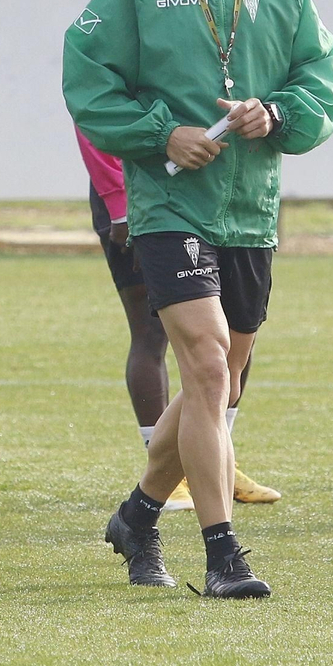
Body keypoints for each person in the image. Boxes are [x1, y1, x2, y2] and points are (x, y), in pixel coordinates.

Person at [63, 0, 333, 598]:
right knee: (209, 359)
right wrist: (163, 134)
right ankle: (224, 554)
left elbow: (320, 77)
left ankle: (138, 515)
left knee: (216, 380)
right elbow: (88, 81)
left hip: (251, 206)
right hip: (169, 203)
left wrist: (275, 115)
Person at [75, 121, 280, 510]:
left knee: (234, 337)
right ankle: (172, 474)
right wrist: (118, 201)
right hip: (141, 195)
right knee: (151, 333)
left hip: (216, 198)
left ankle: (216, 455)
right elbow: (94, 117)